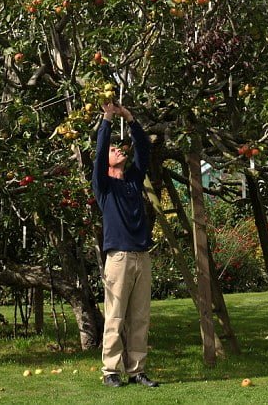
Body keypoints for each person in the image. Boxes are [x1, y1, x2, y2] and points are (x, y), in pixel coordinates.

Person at [92, 101, 159, 388]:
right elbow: (98, 155)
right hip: (118, 258)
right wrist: (107, 119)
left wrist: (130, 119)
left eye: (120, 148)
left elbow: (143, 150)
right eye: (113, 149)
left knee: (140, 317)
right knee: (116, 316)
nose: (119, 149)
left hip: (141, 256)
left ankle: (137, 370)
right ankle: (110, 371)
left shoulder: (132, 181)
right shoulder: (103, 186)